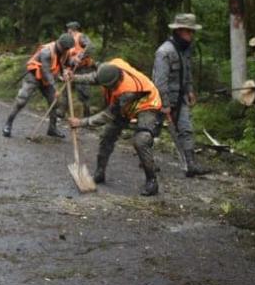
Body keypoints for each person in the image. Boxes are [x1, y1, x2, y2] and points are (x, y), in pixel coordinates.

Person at [68, 58, 162, 196]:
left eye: (113, 86)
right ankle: (99, 172)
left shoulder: (127, 91)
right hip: (124, 107)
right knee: (107, 135)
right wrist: (73, 77)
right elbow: (94, 77)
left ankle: (152, 181)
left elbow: (108, 115)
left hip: (147, 104)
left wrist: (81, 122)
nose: (111, 88)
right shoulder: (110, 69)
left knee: (141, 140)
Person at [153, 13, 210, 177]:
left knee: (186, 129)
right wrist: (164, 105)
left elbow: (187, 72)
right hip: (161, 99)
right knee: (151, 131)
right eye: (189, 32)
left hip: (180, 98)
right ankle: (146, 161)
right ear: (179, 31)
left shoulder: (185, 50)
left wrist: (190, 90)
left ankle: (190, 164)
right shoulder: (164, 52)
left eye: (192, 32)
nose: (191, 35)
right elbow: (159, 81)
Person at [2, 33, 76, 138]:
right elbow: (46, 72)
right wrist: (55, 89)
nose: (66, 50)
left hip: (47, 81)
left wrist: (74, 62)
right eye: (65, 48)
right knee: (21, 100)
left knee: (54, 102)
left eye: (68, 49)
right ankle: (8, 124)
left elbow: (68, 63)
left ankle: (52, 129)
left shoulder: (66, 51)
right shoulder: (46, 51)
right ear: (59, 44)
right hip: (34, 77)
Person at [66, 21, 95, 117]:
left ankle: (87, 117)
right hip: (72, 68)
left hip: (83, 69)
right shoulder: (70, 40)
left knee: (83, 93)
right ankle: (62, 113)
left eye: (68, 29)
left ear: (72, 29)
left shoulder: (81, 37)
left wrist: (80, 57)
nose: (67, 31)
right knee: (66, 89)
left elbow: (90, 46)